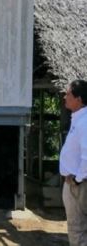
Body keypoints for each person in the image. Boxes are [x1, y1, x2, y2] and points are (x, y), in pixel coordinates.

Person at [59, 79, 87, 246]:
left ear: (79, 99)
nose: (65, 97)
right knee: (77, 228)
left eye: (68, 94)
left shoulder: (84, 122)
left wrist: (77, 179)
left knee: (77, 229)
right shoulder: (78, 119)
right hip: (74, 182)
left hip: (78, 183)